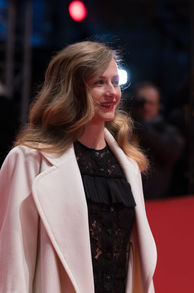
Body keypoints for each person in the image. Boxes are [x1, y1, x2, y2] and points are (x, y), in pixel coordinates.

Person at [0, 41, 157, 293]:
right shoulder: (28, 161)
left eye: (115, 82)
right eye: (99, 83)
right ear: (71, 90)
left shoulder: (127, 166)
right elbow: (14, 263)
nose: (112, 93)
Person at [130, 82, 184, 199]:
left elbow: (170, 153)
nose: (145, 107)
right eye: (141, 103)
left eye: (150, 103)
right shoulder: (127, 130)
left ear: (159, 105)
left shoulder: (168, 130)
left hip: (158, 200)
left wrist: (141, 127)